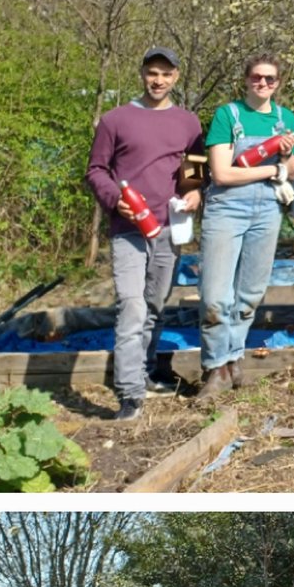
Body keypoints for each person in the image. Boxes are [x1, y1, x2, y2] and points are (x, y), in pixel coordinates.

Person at [84, 46, 205, 421]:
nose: (158, 80)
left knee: (154, 305)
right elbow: (96, 170)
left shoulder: (189, 123)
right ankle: (129, 395)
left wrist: (195, 191)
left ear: (176, 78)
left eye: (166, 74)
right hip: (128, 230)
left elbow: (194, 169)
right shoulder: (115, 119)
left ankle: (148, 371)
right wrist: (112, 198)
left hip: (169, 227)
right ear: (142, 74)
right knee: (132, 306)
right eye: (153, 73)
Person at [197, 52, 294, 397]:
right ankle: (214, 365)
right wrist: (273, 169)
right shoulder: (228, 115)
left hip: (267, 210)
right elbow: (222, 173)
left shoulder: (285, 119)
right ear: (246, 79)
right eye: (257, 77)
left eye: (270, 79)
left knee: (250, 294)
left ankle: (233, 361)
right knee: (214, 297)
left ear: (278, 83)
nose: (263, 83)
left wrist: (284, 155)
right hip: (226, 209)